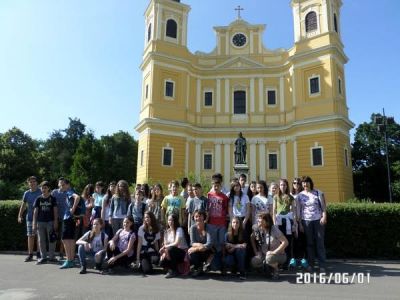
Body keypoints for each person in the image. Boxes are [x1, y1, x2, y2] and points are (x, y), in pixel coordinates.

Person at [297, 176, 328, 273]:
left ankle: (322, 265)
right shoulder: (300, 195)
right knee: (309, 243)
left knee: (320, 243)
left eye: (307, 182)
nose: (305, 184)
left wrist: (324, 217)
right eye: (303, 183)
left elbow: (323, 207)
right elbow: (299, 210)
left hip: (318, 220)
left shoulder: (318, 192)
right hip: (306, 221)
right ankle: (311, 264)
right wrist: (300, 224)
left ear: (310, 183)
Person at [251, 213, 288, 280]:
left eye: (260, 219)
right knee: (254, 261)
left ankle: (276, 269)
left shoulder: (274, 229)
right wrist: (256, 251)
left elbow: (285, 242)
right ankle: (267, 268)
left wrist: (274, 252)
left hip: (279, 255)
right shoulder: (257, 228)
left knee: (269, 258)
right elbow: (252, 238)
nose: (258, 221)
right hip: (264, 254)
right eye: (258, 219)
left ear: (266, 221)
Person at [32, 181, 58, 264]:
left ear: (48, 189)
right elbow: (35, 212)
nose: (43, 189)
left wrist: (55, 221)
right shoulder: (38, 199)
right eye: (42, 188)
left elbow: (55, 211)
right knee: (41, 240)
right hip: (40, 222)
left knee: (51, 239)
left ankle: (51, 257)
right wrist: (34, 223)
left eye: (45, 188)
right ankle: (43, 257)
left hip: (50, 222)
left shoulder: (52, 198)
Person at [207, 178, 229, 273]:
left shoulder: (224, 197)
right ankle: (212, 263)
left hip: (221, 224)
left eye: (218, 186)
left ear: (221, 186)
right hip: (211, 223)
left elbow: (226, 210)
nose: (216, 187)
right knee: (212, 244)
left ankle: (223, 264)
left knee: (222, 243)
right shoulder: (209, 195)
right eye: (214, 186)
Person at [18, 176, 42, 262]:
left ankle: (39, 255)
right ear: (28, 184)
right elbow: (23, 205)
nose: (32, 183)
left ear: (36, 183)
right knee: (30, 236)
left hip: (40, 218)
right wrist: (19, 215)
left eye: (34, 181)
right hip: (30, 218)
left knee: (39, 236)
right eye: (30, 182)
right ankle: (30, 255)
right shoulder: (26, 193)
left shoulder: (41, 191)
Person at [272, 178, 295, 268]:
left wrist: (294, 222)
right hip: (279, 221)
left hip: (288, 221)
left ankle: (286, 263)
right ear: (279, 186)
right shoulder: (276, 197)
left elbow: (293, 210)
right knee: (279, 242)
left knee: (288, 242)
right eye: (281, 185)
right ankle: (279, 262)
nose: (283, 186)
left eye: (284, 185)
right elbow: (274, 210)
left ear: (287, 186)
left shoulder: (290, 197)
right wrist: (274, 223)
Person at [60, 179, 82, 269]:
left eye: (63, 185)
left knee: (65, 239)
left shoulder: (69, 192)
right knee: (71, 239)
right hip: (71, 218)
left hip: (68, 218)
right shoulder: (70, 191)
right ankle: (71, 260)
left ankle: (69, 260)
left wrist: (73, 208)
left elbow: (77, 197)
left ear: (68, 184)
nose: (61, 187)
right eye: (60, 185)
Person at [159, 214, 188, 278]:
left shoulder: (179, 229)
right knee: (162, 263)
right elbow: (165, 244)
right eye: (169, 220)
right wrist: (164, 251)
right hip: (171, 251)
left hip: (182, 252)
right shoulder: (166, 231)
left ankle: (173, 271)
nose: (170, 222)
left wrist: (166, 248)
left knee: (171, 249)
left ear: (176, 221)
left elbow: (176, 243)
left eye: (172, 220)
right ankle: (174, 269)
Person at [188, 210, 214, 277]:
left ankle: (207, 264)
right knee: (191, 253)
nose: (198, 218)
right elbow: (192, 242)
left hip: (208, 250)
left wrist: (196, 249)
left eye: (200, 216)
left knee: (193, 250)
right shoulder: (192, 228)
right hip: (201, 248)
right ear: (193, 218)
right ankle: (199, 268)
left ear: (204, 217)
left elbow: (209, 243)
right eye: (196, 216)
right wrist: (200, 246)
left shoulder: (209, 227)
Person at [290, 177, 307, 269]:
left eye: (298, 183)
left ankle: (302, 260)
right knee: (292, 241)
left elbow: (301, 210)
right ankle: (293, 261)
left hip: (300, 221)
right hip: (292, 221)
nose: (296, 185)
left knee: (300, 241)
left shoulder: (302, 195)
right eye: (294, 183)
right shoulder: (290, 195)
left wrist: (299, 223)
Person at [51, 178, 68, 260]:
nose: (61, 184)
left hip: (65, 218)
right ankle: (52, 253)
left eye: (63, 183)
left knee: (62, 236)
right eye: (60, 183)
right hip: (55, 217)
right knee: (54, 235)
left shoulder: (68, 192)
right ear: (58, 184)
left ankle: (61, 253)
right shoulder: (54, 192)